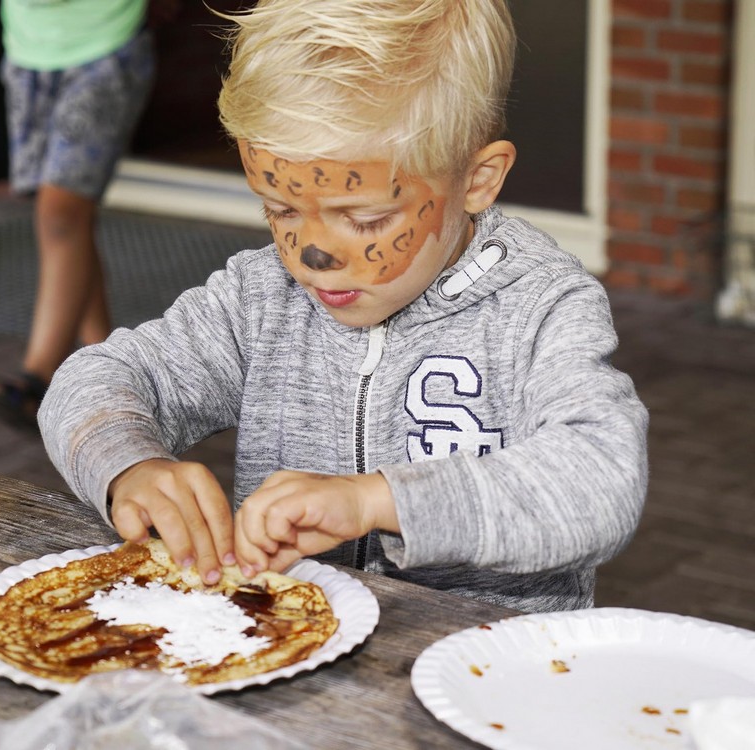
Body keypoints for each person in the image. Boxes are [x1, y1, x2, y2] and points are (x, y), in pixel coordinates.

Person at [38, 0, 649, 613]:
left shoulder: (541, 307)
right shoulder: (260, 299)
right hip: (292, 660)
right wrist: (131, 466)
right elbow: (95, 378)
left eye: (364, 218)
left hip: (491, 670)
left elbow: (601, 479)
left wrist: (376, 502)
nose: (311, 255)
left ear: (477, 180)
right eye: (280, 210)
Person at [0, 0, 175, 428]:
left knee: (61, 213)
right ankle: (114, 372)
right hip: (28, 51)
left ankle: (37, 379)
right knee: (71, 220)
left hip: (106, 42)